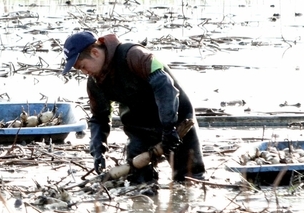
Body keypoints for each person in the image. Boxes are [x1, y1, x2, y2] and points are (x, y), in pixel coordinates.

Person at [61, 31, 204, 184]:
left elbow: (165, 87)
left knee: (190, 179)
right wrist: (98, 151)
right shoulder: (95, 82)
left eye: (83, 66)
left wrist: (169, 128)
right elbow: (99, 118)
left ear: (95, 53)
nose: (84, 72)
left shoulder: (134, 55)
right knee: (139, 183)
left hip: (177, 120)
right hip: (140, 130)